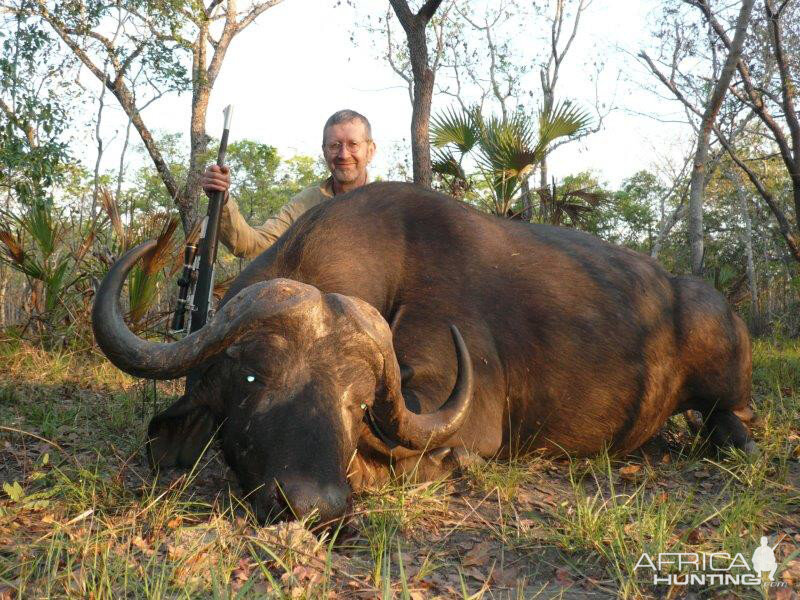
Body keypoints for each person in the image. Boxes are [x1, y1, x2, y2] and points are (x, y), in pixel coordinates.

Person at [201, 109, 376, 259]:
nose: (343, 154)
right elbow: (252, 244)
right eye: (334, 145)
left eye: (353, 144)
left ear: (370, 150)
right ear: (324, 151)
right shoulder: (306, 203)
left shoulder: (388, 205)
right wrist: (222, 198)